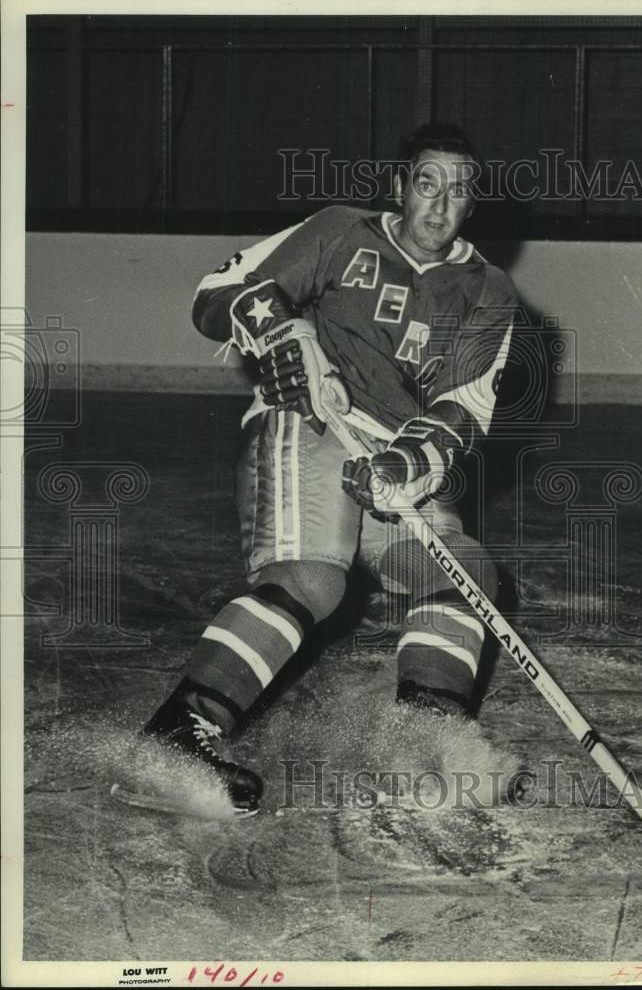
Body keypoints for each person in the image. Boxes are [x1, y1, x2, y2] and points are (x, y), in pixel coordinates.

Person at [125, 123, 521, 817]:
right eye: (427, 183)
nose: (439, 204)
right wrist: (277, 324)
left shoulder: (488, 293)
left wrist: (407, 459)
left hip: (396, 452)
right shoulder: (342, 231)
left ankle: (421, 744)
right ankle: (175, 736)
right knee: (314, 580)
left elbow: (464, 407)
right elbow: (218, 291)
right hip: (309, 420)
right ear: (401, 187)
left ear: (472, 202)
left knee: (463, 574)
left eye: (458, 190)